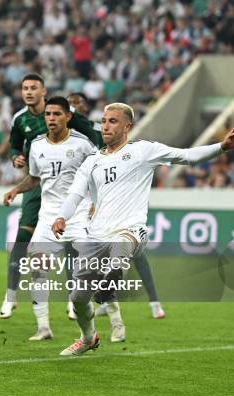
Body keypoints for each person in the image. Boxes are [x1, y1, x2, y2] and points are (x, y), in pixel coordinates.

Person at [53, 103, 234, 356]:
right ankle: (88, 338)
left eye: (112, 121)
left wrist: (222, 146)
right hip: (96, 236)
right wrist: (61, 217)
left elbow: (187, 156)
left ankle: (113, 277)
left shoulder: (144, 151)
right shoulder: (92, 162)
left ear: (127, 126)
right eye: (103, 121)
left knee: (121, 248)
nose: (105, 126)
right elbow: (75, 194)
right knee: (78, 298)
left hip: (131, 230)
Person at [0, 74, 100, 321]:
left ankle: (73, 299)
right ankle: (11, 295)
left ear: (43, 91)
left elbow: (93, 137)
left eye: (33, 88)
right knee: (23, 239)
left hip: (72, 188)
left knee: (72, 248)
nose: (28, 92)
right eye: (24, 88)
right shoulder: (20, 120)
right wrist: (15, 158)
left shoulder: (68, 115)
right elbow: (14, 146)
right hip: (39, 182)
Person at [68, 92, 165, 320]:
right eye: (71, 105)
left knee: (135, 256)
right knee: (89, 255)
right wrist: (94, 201)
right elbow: (92, 174)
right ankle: (98, 300)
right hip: (99, 209)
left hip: (125, 209)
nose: (106, 125)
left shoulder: (93, 130)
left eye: (77, 104)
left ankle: (154, 301)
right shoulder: (74, 140)